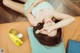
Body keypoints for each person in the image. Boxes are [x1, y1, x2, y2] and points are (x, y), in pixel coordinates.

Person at [3, 0, 75, 53]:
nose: (50, 26)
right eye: (54, 29)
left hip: (27, 7)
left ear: (43, 30)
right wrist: (52, 27)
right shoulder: (54, 15)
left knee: (5, 2)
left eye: (48, 30)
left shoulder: (36, 23)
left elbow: (28, 13)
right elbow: (72, 19)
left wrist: (33, 5)